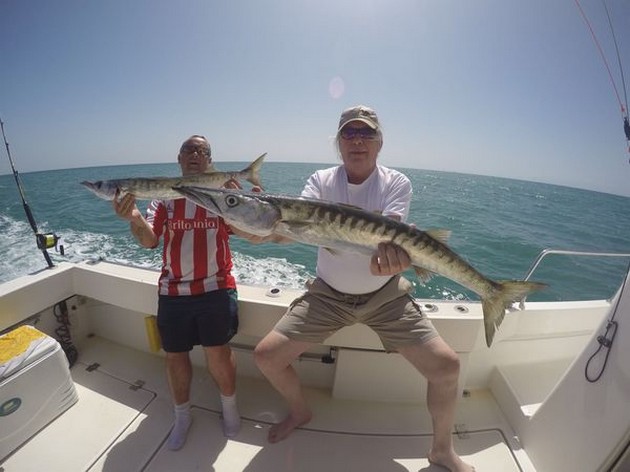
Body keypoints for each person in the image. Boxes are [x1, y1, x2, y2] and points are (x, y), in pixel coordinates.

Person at [253, 106, 475, 472]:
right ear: (338, 143)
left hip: (385, 296)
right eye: (349, 134)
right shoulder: (321, 181)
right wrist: (254, 230)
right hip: (328, 295)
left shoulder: (396, 183)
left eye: (366, 133)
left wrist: (396, 260)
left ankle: (441, 451)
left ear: (380, 142)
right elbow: (285, 229)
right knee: (266, 357)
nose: (357, 140)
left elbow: (386, 246)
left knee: (448, 367)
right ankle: (301, 411)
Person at [113, 135, 250, 450]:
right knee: (175, 357)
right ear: (178, 158)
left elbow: (246, 232)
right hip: (173, 290)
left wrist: (240, 205)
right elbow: (150, 241)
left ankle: (230, 408)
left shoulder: (220, 195)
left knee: (219, 352)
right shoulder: (163, 198)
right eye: (189, 149)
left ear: (210, 161)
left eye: (203, 151)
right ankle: (182, 415)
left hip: (216, 286)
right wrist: (133, 217)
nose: (195, 155)